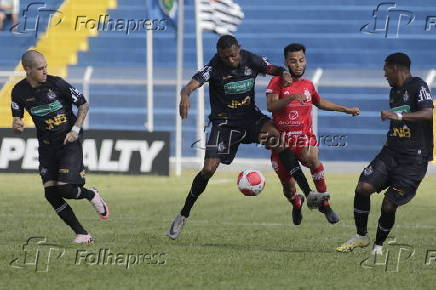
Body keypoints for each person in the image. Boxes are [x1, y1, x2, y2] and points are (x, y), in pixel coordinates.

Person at [167, 35, 328, 240]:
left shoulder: (250, 59)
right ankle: (183, 214)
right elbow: (191, 84)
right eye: (225, 57)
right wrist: (184, 95)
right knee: (208, 170)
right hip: (225, 124)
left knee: (277, 139)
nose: (230, 61)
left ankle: (308, 193)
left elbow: (275, 69)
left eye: (233, 56)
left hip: (251, 119)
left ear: (239, 50)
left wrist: (285, 73)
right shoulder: (214, 67)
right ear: (219, 54)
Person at [336, 52, 433, 254]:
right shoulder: (394, 92)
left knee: (389, 204)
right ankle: (361, 236)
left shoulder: (418, 85)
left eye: (386, 70)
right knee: (363, 187)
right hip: (390, 152)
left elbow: (428, 113)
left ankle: (378, 246)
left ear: (395, 68)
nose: (384, 75)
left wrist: (397, 115)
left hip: (413, 159)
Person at [11, 50, 109, 244]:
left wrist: (75, 129)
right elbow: (17, 119)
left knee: (64, 189)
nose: (45, 71)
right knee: (50, 193)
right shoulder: (18, 92)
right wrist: (17, 125)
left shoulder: (57, 84)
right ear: (27, 69)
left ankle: (91, 194)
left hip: (69, 142)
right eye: (40, 68)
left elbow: (83, 104)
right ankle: (82, 234)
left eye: (46, 67)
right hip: (47, 147)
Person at [266, 43, 360, 225]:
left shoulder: (308, 85)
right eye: (293, 61)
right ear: (286, 62)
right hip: (282, 142)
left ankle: (325, 203)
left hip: (303, 137)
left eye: (301, 60)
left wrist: (345, 109)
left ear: (305, 60)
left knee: (312, 158)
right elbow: (271, 106)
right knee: (288, 187)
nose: (298, 64)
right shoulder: (276, 82)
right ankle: (296, 202)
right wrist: (291, 98)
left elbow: (320, 102)